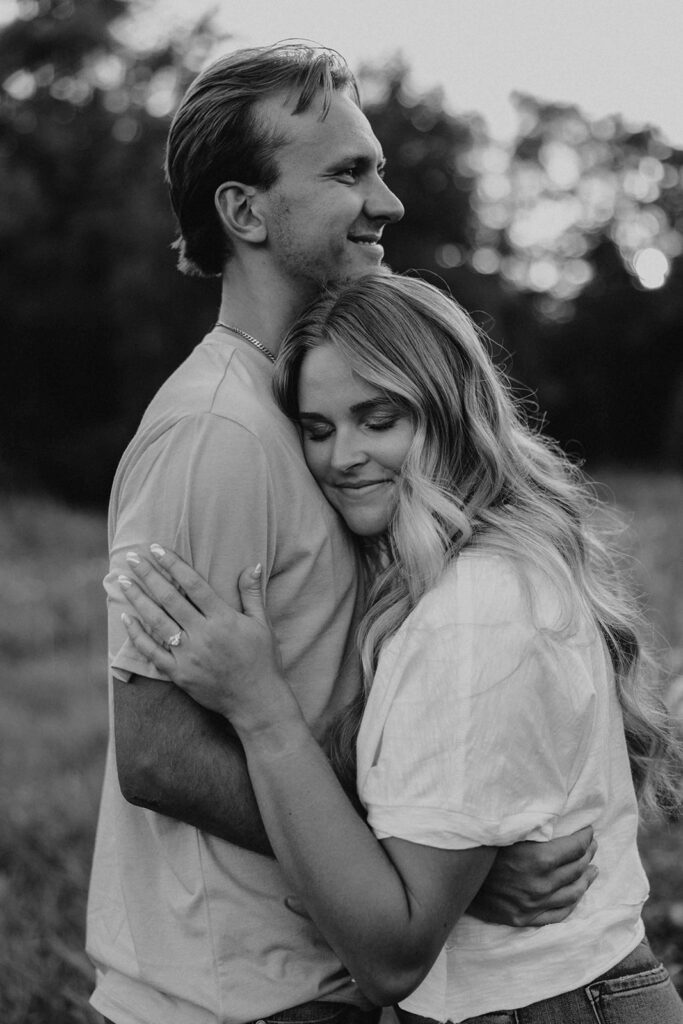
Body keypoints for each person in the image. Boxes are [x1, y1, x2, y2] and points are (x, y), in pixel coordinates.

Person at [88, 44, 598, 1024]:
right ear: (245, 212)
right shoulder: (215, 433)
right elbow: (154, 749)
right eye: (347, 172)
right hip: (229, 995)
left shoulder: (317, 412)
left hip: (322, 979)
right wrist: (426, 868)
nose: (389, 201)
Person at [118, 272, 683, 1023]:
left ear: (450, 413)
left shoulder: (474, 612)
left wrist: (261, 710)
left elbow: (391, 952)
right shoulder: (456, 581)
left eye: (376, 419)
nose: (341, 456)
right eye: (317, 430)